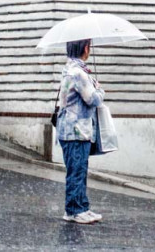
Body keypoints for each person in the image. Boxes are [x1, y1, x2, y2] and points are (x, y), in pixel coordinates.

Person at [57, 38, 105, 224]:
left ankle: (81, 207)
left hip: (73, 130)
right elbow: (93, 99)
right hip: (75, 131)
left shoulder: (72, 70)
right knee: (76, 171)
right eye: (89, 46)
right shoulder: (78, 73)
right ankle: (74, 210)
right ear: (85, 48)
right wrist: (100, 91)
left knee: (79, 169)